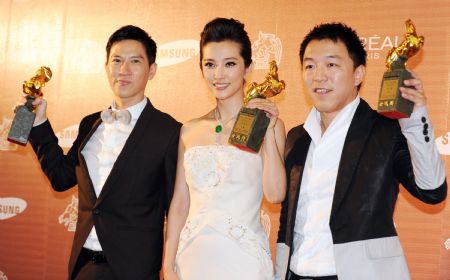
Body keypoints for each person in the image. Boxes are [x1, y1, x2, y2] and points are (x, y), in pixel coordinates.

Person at [274, 23, 447, 280]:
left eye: (331, 65)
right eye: (310, 66)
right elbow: (288, 220)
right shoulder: (297, 137)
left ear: (358, 74)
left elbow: (432, 191)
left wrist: (415, 117)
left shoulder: (384, 130)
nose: (319, 76)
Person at [28, 25, 181, 279]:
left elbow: (176, 208)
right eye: (117, 60)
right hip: (83, 265)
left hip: (134, 270)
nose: (124, 70)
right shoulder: (91, 123)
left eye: (135, 61)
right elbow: (60, 177)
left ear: (151, 70)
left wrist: (173, 265)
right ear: (106, 66)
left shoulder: (169, 131)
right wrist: (37, 123)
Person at [163, 18, 286, 280]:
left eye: (229, 64)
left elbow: (275, 194)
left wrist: (267, 132)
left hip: (244, 263)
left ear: (248, 68)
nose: (218, 75)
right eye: (210, 65)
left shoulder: (271, 125)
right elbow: (180, 203)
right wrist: (168, 262)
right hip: (191, 261)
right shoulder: (190, 130)